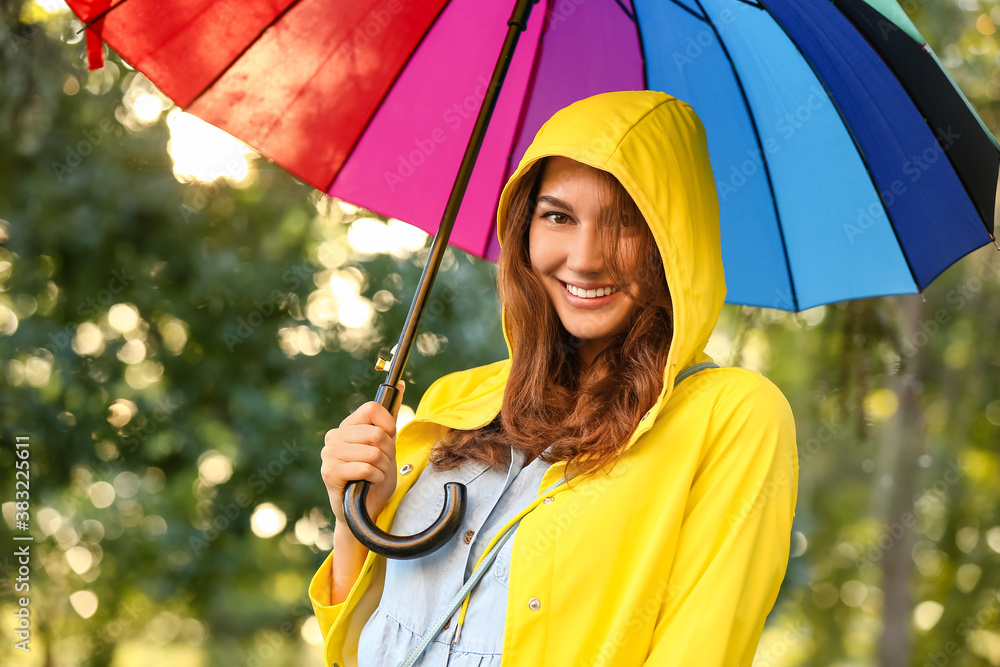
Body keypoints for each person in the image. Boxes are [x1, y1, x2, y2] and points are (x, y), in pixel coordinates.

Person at [311, 90, 798, 667]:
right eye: (558, 217)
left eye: (626, 222)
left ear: (675, 242)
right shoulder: (455, 399)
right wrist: (354, 517)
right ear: (524, 229)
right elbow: (361, 643)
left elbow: (700, 648)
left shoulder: (732, 417)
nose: (586, 258)